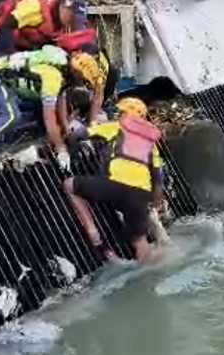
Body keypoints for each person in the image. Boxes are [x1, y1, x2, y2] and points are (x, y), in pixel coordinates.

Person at [62, 97, 165, 263]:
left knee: (69, 185)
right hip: (141, 194)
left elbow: (78, 135)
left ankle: (92, 230)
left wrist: (71, 153)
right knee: (139, 242)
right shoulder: (150, 143)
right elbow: (158, 179)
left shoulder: (115, 127)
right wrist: (154, 202)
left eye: (120, 112)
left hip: (115, 187)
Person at [0, 0, 97, 56]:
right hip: (0, 42)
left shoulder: (57, 24)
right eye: (72, 19)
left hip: (25, 50)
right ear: (64, 8)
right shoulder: (35, 7)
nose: (71, 24)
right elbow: (5, 26)